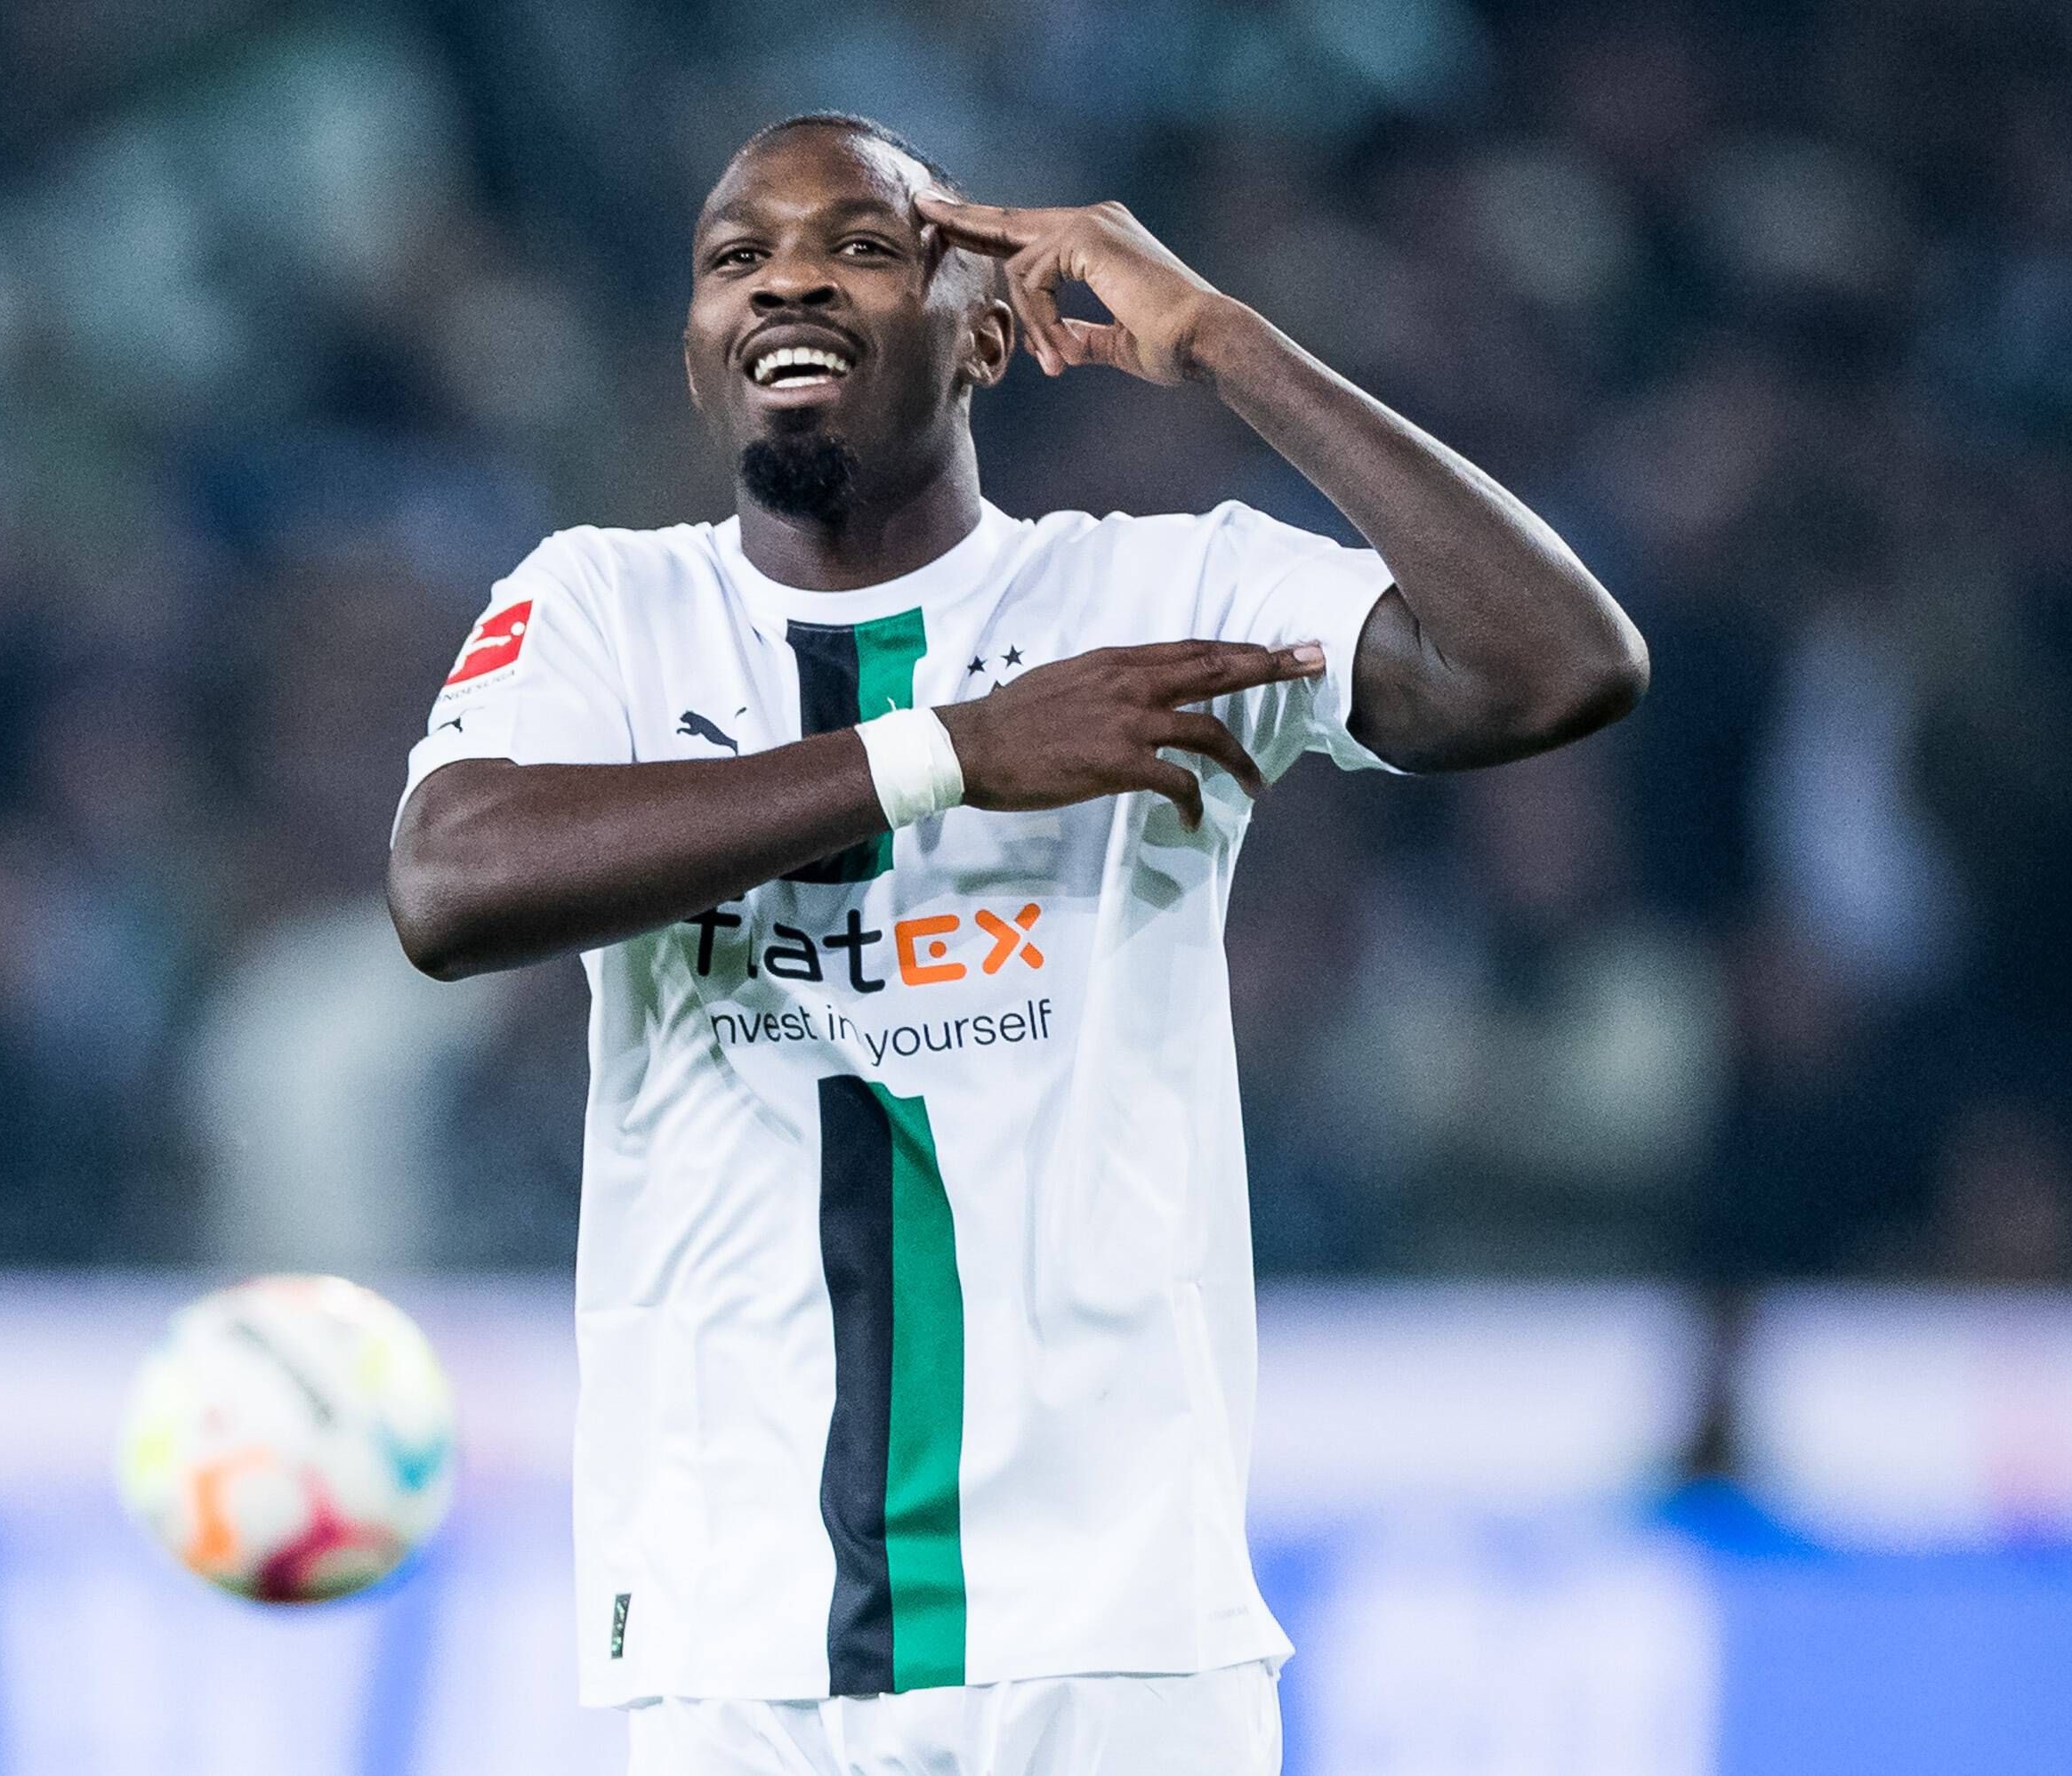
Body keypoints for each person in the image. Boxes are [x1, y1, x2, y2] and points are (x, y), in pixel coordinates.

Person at [387, 114, 1645, 1776]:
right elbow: (449, 886)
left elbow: (1558, 665)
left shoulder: (1158, 595)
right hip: (735, 1643)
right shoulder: (606, 614)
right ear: (698, 353)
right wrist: (949, 758)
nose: (788, 285)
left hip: (1117, 1646)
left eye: (856, 245)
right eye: (736, 258)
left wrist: (1227, 344)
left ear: (985, 328)